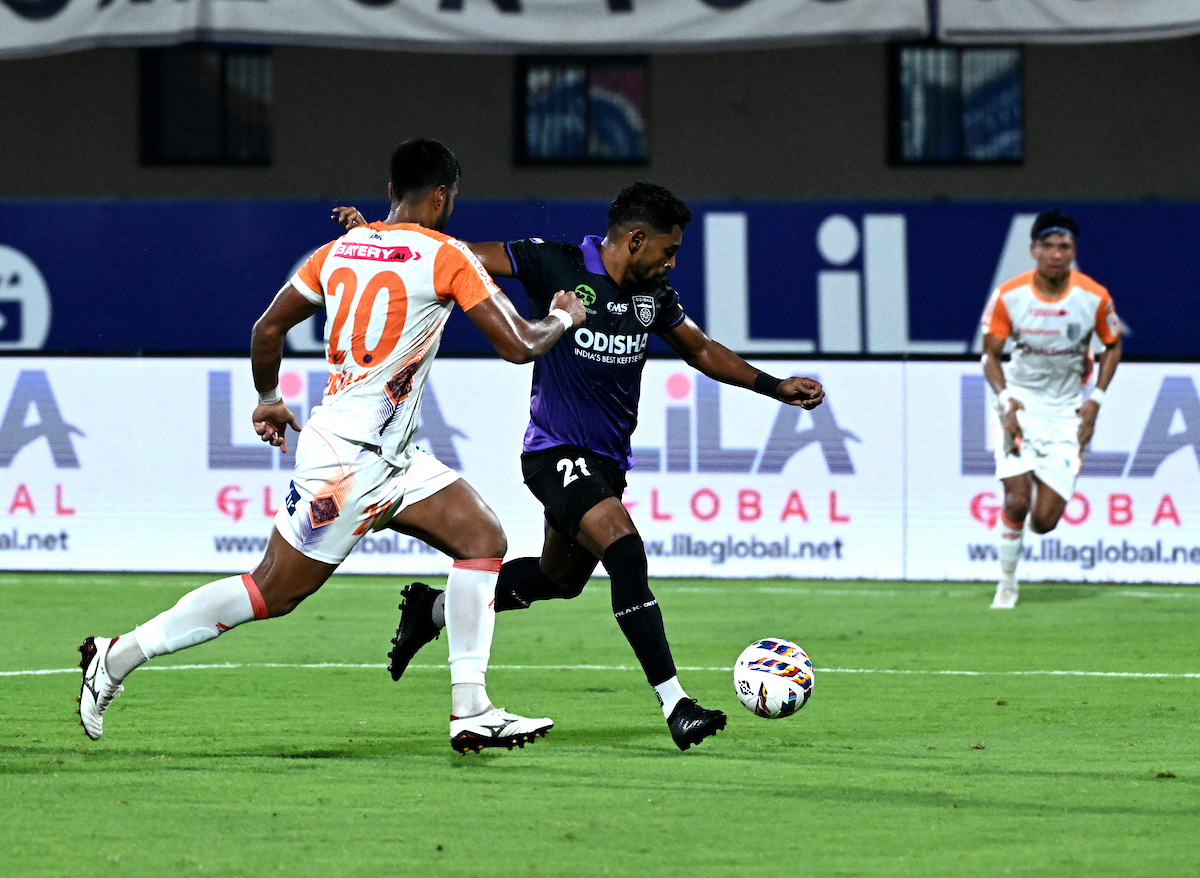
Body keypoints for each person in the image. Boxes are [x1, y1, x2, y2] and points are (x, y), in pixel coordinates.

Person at [77, 139, 586, 754]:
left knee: (482, 538)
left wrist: (268, 398)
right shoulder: (448, 255)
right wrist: (563, 317)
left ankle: (470, 708)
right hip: (346, 466)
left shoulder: (340, 251)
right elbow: (520, 344)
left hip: (391, 457)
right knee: (271, 590)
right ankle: (116, 655)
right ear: (443, 195)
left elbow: (267, 329)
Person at [338, 183, 825, 750]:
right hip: (554, 453)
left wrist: (775, 387)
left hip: (606, 463)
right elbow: (457, 253)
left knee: (559, 579)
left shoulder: (654, 298)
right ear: (636, 240)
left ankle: (433, 609)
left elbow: (701, 350)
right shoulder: (557, 263)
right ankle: (677, 704)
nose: (671, 263)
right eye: (667, 252)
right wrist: (377, 238)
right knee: (624, 549)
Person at [980, 209, 1122, 609]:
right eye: (1049, 246)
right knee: (1017, 501)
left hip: (1065, 413)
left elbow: (1113, 345)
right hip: (1019, 404)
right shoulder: (1010, 295)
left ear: (1073, 251)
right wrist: (1006, 400)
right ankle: (1007, 583)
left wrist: (1096, 400)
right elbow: (989, 356)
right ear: (1034, 250)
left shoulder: (1094, 297)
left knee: (1043, 521)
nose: (1057, 254)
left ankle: (1040, 507)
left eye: (1065, 247)